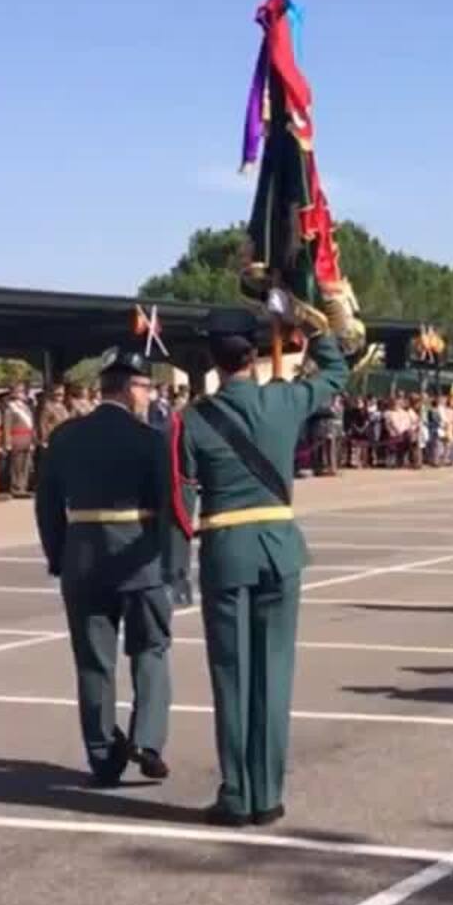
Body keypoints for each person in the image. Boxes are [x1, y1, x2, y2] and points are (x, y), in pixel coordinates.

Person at [176, 299, 349, 827]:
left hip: (227, 552)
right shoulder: (285, 401)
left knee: (231, 677)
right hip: (279, 547)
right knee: (274, 675)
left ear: (213, 358)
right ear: (254, 352)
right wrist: (311, 329)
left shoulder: (192, 419)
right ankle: (268, 794)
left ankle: (237, 793)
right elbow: (337, 373)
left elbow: (182, 500)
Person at [35, 350, 188, 786]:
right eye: (144, 387)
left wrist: (58, 555)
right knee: (150, 651)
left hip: (82, 559)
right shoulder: (150, 439)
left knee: (92, 663)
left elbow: (46, 505)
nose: (149, 395)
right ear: (126, 389)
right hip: (140, 558)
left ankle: (102, 755)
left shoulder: (66, 436)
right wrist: (172, 565)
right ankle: (147, 739)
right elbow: (169, 504)